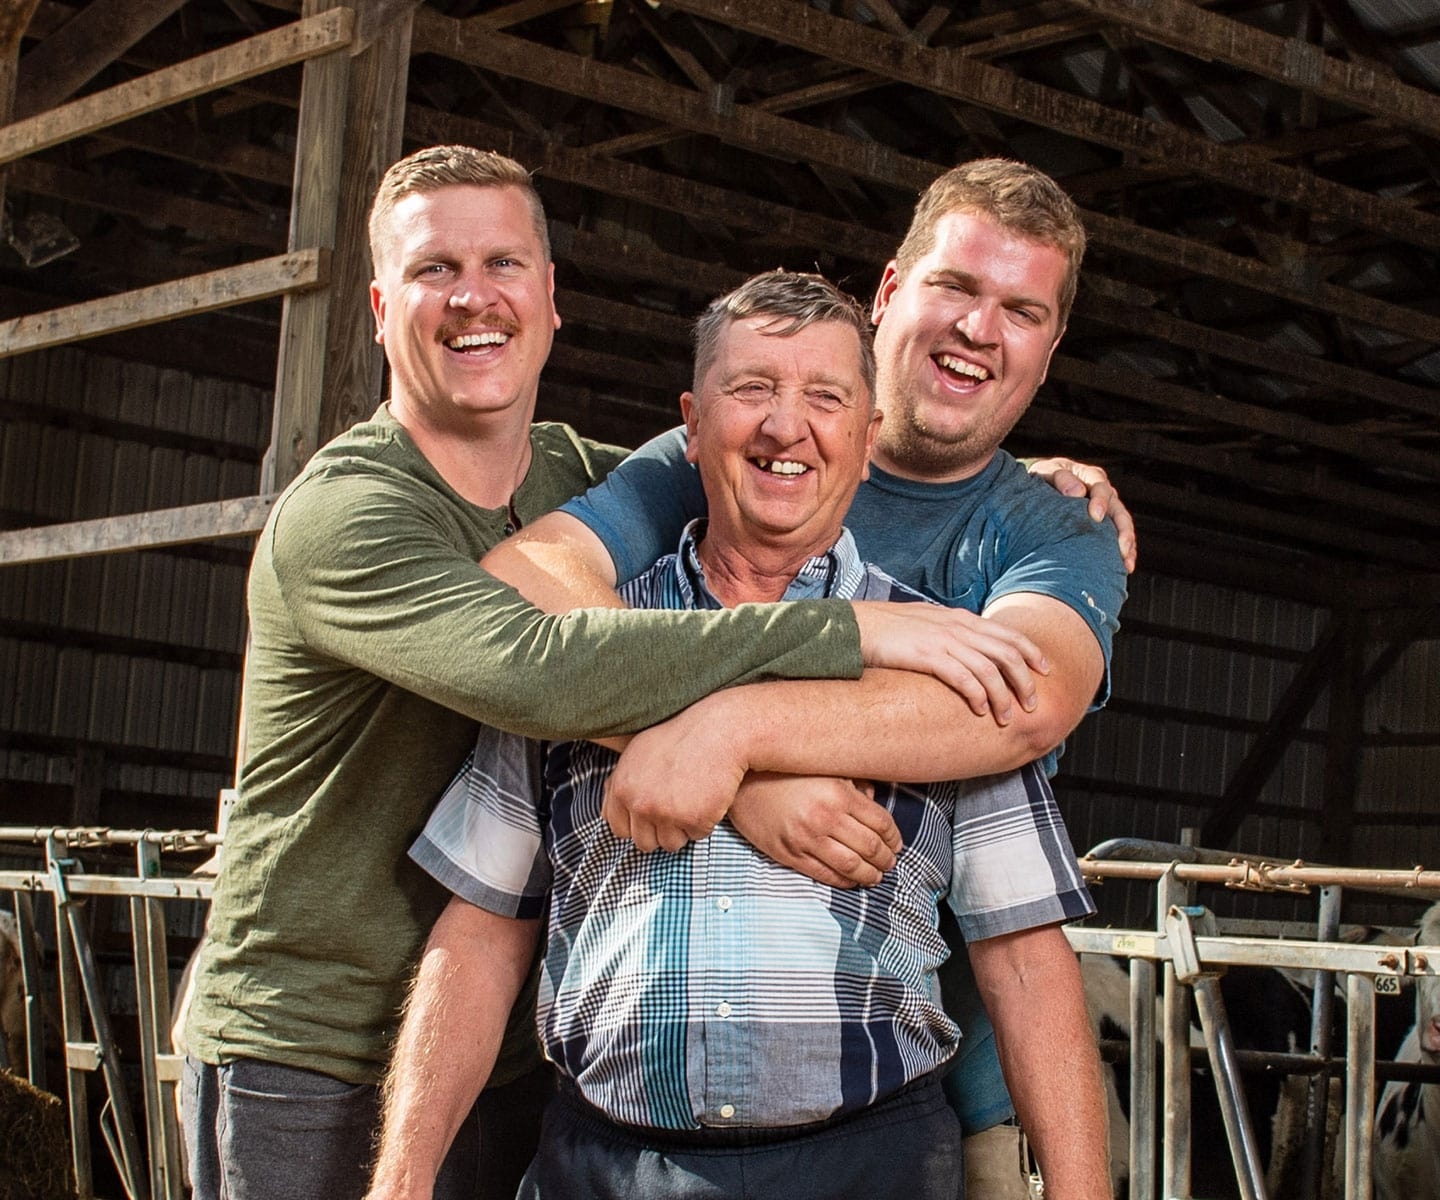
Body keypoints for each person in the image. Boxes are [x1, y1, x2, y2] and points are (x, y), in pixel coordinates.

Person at [180, 145, 1124, 1200]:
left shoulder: (577, 477)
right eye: (435, 269)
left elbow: (1027, 749)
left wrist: (728, 740)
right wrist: (768, 753)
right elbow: (530, 659)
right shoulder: (389, 519)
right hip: (327, 1038)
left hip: (833, 1131)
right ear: (690, 422)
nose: (783, 426)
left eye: (1022, 310)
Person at [466, 157, 1128, 1196]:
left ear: (1048, 352)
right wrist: (749, 782)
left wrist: (731, 741)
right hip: (624, 1118)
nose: (978, 328)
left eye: (1022, 309)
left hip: (949, 1101)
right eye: (955, 287)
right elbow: (526, 588)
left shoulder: (1051, 528)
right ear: (891, 292)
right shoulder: (721, 457)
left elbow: (1021, 703)